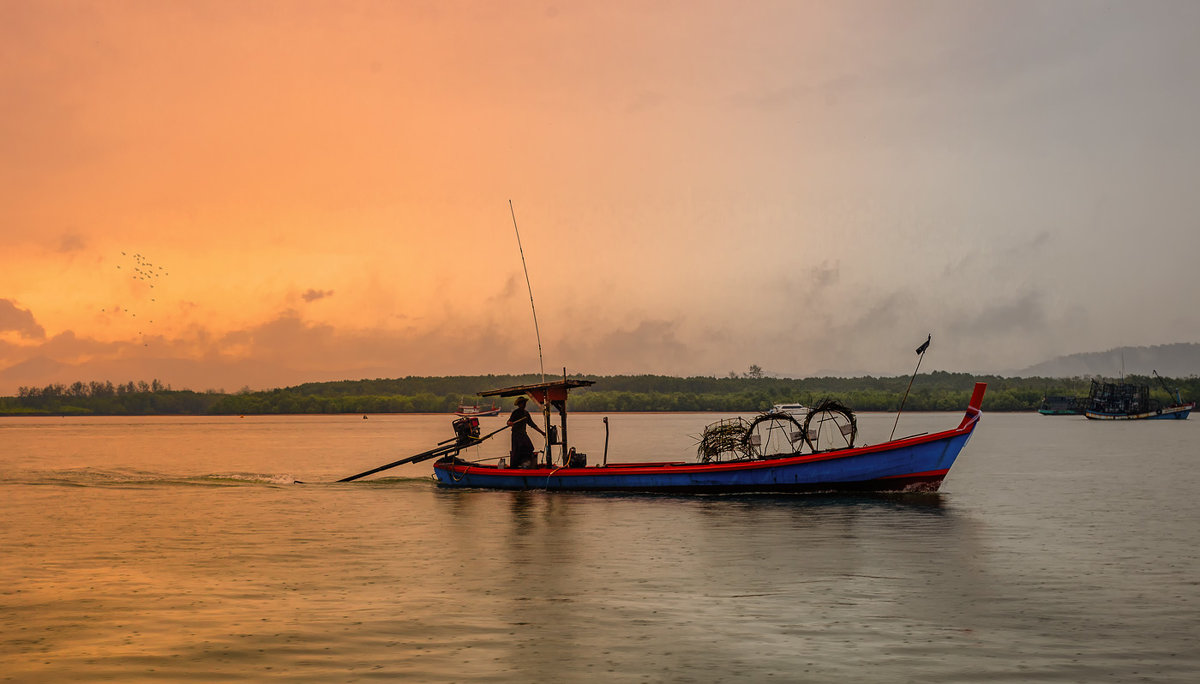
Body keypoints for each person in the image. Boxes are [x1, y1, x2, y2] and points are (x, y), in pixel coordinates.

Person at [507, 396, 545, 468]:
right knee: (516, 451)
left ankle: (525, 464)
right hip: (516, 435)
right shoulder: (515, 412)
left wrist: (542, 432)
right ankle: (515, 466)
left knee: (530, 448)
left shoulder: (526, 413)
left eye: (524, 403)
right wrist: (510, 423)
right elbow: (508, 422)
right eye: (522, 403)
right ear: (519, 404)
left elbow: (532, 424)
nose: (524, 404)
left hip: (523, 434)